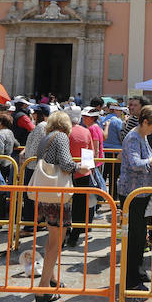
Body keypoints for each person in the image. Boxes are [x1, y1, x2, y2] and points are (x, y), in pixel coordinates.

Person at [30, 110, 90, 302]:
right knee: (56, 242)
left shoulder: (45, 137)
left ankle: (52, 277)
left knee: (51, 239)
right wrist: (79, 167)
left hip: (45, 194)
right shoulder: (62, 137)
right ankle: (42, 287)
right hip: (57, 195)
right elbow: (65, 164)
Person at [117, 105, 152, 291]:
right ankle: (131, 279)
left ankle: (138, 270)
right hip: (132, 193)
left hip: (141, 193)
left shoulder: (142, 136)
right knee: (134, 237)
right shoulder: (133, 138)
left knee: (140, 236)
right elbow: (135, 163)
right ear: (145, 122)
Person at [18, 104, 49, 239]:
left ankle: (30, 225)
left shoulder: (41, 127)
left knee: (30, 197)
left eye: (35, 112)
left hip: (33, 166)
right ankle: (39, 221)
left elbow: (39, 146)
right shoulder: (41, 127)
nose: (33, 114)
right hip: (31, 164)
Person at [66, 106, 95, 248]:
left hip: (65, 172)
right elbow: (91, 153)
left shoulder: (62, 132)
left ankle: (64, 232)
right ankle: (75, 234)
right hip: (83, 172)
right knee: (80, 205)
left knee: (64, 203)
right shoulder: (86, 131)